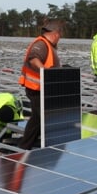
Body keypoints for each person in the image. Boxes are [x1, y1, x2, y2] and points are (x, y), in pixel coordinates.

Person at [18, 20, 62, 150]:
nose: (59, 39)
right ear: (55, 34)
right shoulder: (41, 44)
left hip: (42, 88)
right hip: (35, 87)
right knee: (40, 117)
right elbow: (33, 58)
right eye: (59, 36)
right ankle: (25, 146)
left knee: (39, 118)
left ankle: (29, 144)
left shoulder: (47, 45)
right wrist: (45, 71)